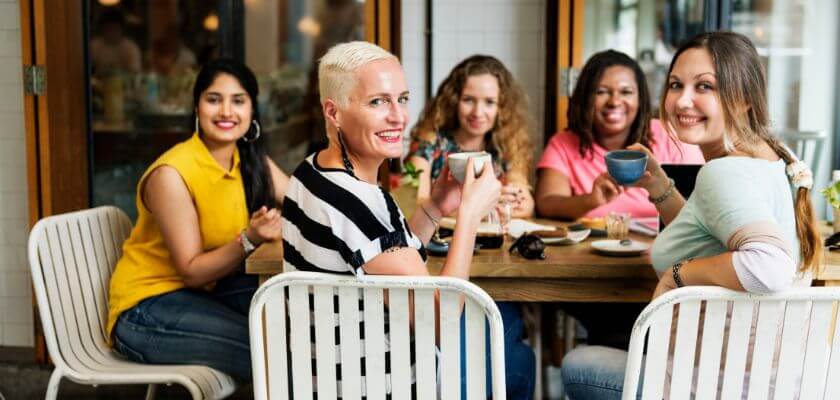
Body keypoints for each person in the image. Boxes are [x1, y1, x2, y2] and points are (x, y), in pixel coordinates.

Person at [561, 31, 822, 399]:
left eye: (704, 87)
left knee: (577, 364)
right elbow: (710, 232)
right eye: (675, 84)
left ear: (744, 99)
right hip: (769, 382)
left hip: (707, 384)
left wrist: (677, 275)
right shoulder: (777, 160)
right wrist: (659, 186)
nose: (683, 100)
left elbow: (770, 265)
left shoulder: (723, 172)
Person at [282, 41, 535, 399]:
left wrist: (436, 207)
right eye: (378, 102)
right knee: (517, 356)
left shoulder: (309, 173)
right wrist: (469, 214)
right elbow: (443, 320)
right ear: (333, 113)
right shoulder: (359, 205)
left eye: (401, 99)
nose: (399, 117)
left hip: (324, 378)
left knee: (514, 347)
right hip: (381, 384)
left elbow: (384, 255)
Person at [107, 58, 290, 381]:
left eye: (238, 101)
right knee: (273, 351)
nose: (226, 112)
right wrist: (250, 239)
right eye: (213, 99)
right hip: (147, 310)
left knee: (299, 314)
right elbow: (191, 271)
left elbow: (304, 205)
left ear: (252, 110)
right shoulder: (172, 174)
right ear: (196, 107)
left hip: (206, 293)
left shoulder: (248, 160)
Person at [535, 50, 704, 220]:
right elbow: (546, 204)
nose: (614, 102)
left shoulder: (670, 136)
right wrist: (591, 200)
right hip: (592, 246)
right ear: (585, 96)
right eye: (601, 91)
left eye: (626, 92)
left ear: (641, 99)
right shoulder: (563, 144)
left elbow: (700, 205)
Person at [407, 55, 536, 218]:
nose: (478, 112)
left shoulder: (509, 145)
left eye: (489, 102)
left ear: (502, 107)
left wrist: (515, 203)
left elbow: (526, 205)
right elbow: (415, 203)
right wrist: (484, 207)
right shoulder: (428, 142)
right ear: (453, 101)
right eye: (468, 100)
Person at [89, 9, 142, 76]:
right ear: (102, 29)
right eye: (108, 29)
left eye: (115, 28)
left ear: (122, 29)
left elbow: (135, 72)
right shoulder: (94, 46)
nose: (111, 32)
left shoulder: (131, 48)